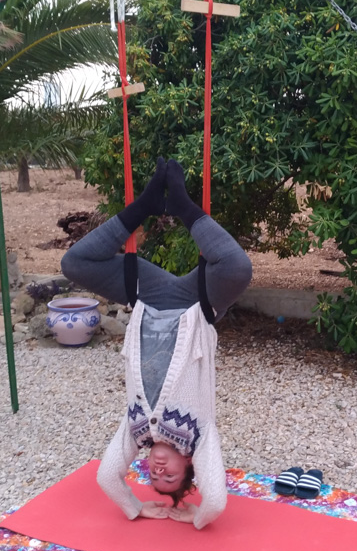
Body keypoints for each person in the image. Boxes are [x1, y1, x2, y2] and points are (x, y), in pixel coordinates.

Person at [61, 158, 252, 529]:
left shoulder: (133, 433)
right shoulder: (201, 439)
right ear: (190, 465)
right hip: (199, 304)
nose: (158, 470)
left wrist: (135, 506)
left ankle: (143, 207)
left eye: (153, 477)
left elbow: (107, 478)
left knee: (75, 263)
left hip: (145, 295)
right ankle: (185, 208)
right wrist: (197, 517)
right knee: (237, 269)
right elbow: (214, 500)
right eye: (170, 477)